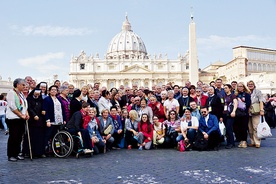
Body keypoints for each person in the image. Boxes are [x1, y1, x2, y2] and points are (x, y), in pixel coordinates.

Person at [6, 78, 29, 161]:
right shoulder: (11, 93)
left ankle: (17, 153)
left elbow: (25, 106)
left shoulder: (21, 94)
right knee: (14, 137)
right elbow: (12, 106)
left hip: (21, 118)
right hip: (13, 118)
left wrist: (26, 114)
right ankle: (11, 154)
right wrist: (21, 115)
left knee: (19, 137)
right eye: (23, 85)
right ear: (17, 85)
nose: (24, 86)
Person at [43, 85, 66, 154]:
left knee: (57, 137)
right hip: (51, 121)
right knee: (48, 135)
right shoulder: (47, 99)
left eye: (55, 90)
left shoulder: (59, 99)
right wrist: (47, 120)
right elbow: (45, 110)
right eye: (52, 90)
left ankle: (56, 149)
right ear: (49, 91)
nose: (54, 91)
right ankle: (45, 149)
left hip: (59, 121)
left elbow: (63, 110)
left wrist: (64, 119)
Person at [23, 88, 45, 157]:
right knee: (31, 136)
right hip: (32, 120)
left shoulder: (41, 99)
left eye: (39, 94)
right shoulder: (29, 99)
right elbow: (29, 108)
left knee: (39, 137)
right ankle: (28, 152)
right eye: (36, 94)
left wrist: (43, 111)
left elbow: (42, 107)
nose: (37, 95)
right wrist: (34, 115)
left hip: (40, 120)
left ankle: (39, 152)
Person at [247, 80, 265, 148]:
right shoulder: (247, 92)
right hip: (248, 111)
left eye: (251, 84)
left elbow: (261, 101)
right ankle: (252, 141)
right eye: (249, 84)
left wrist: (261, 109)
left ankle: (257, 142)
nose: (250, 85)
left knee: (256, 127)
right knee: (250, 128)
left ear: (254, 85)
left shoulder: (258, 92)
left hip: (256, 111)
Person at [234, 82, 251, 148]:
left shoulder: (246, 94)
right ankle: (240, 140)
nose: (239, 87)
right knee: (237, 127)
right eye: (238, 86)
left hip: (244, 113)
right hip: (237, 113)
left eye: (241, 86)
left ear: (243, 87)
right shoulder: (235, 94)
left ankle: (244, 141)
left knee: (244, 127)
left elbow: (248, 103)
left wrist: (241, 102)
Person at [222, 84, 238, 149]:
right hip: (225, 114)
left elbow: (235, 103)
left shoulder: (233, 96)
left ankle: (231, 142)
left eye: (226, 88)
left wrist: (234, 111)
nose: (225, 89)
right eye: (224, 88)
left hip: (230, 114)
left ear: (230, 88)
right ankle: (229, 142)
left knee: (229, 128)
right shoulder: (224, 96)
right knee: (227, 128)